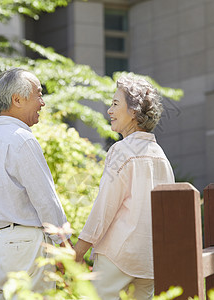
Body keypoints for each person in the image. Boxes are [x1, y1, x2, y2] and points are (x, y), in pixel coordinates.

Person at [0, 68, 70, 298]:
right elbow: (46, 200)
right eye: (39, 94)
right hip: (27, 246)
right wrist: (65, 247)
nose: (42, 103)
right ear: (17, 99)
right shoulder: (21, 139)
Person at [73, 74, 175, 300]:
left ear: (134, 111)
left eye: (115, 104)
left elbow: (104, 207)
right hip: (149, 260)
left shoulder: (122, 150)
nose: (109, 110)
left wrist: (79, 249)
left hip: (117, 255)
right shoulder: (161, 157)